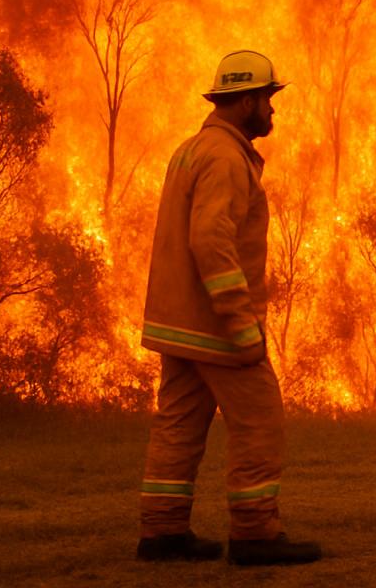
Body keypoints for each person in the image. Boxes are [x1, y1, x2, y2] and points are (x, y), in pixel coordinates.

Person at [135, 50, 321, 565]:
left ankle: (162, 532)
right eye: (267, 99)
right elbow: (210, 241)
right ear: (244, 101)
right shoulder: (224, 158)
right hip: (215, 325)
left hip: (180, 322)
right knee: (260, 418)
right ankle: (256, 533)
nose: (272, 110)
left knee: (179, 424)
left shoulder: (191, 150)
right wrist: (241, 322)